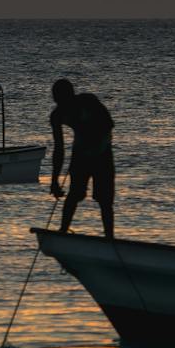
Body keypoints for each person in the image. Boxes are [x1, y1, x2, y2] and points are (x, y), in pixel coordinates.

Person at [49, 78, 115, 237]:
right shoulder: (57, 115)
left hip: (102, 151)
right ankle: (63, 230)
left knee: (104, 199)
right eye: (58, 100)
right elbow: (59, 148)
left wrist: (93, 143)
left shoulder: (88, 101)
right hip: (81, 154)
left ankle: (110, 238)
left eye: (63, 100)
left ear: (71, 96)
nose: (61, 105)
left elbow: (109, 125)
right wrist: (54, 180)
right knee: (74, 194)